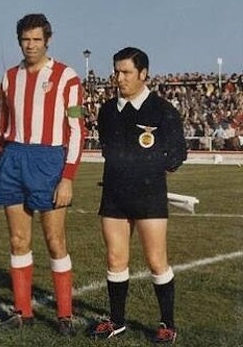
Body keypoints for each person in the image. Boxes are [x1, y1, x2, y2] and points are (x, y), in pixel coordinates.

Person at [0, 14, 85, 335]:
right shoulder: (8, 77)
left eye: (36, 39)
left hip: (49, 160)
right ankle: (23, 311)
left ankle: (65, 315)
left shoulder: (67, 76)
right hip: (13, 158)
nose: (30, 45)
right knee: (18, 240)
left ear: (48, 39)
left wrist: (68, 176)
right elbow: (0, 127)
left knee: (55, 240)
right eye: (25, 40)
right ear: (19, 41)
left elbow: (76, 129)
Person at [90, 47, 186, 344]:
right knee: (115, 258)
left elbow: (177, 153)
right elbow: (108, 148)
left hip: (149, 196)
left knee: (157, 260)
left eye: (127, 72)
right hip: (115, 195)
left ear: (144, 74)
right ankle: (117, 321)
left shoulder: (163, 110)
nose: (120, 78)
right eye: (117, 72)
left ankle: (167, 324)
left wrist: (150, 172)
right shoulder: (107, 111)